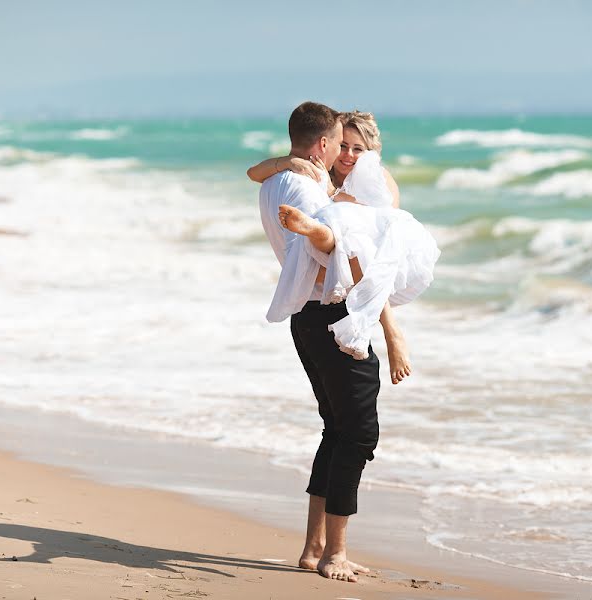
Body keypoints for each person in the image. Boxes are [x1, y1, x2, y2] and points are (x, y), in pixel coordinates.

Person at [256, 101, 378, 583]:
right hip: (333, 317)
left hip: (308, 318)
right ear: (324, 144)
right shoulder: (306, 189)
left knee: (337, 428)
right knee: (358, 434)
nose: (345, 154)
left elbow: (258, 171)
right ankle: (334, 555)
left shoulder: (276, 181)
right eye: (340, 145)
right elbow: (323, 251)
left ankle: (314, 548)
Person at [248, 111, 439, 384]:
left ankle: (392, 332)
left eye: (358, 149)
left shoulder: (377, 177)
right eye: (344, 146)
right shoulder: (322, 170)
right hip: (335, 279)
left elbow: (381, 232)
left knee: (355, 239)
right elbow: (253, 173)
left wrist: (332, 194)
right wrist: (289, 162)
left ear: (370, 151)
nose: (348, 155)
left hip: (377, 259)